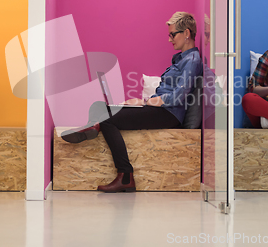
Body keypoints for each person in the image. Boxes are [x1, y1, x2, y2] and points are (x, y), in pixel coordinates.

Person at [61, 12, 202, 193]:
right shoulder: (181, 59)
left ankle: (125, 176)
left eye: (172, 34)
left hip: (168, 113)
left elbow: (179, 96)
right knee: (98, 106)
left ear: (187, 33)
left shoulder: (192, 61)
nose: (169, 39)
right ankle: (92, 126)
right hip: (160, 109)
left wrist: (147, 102)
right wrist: (142, 103)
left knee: (106, 116)